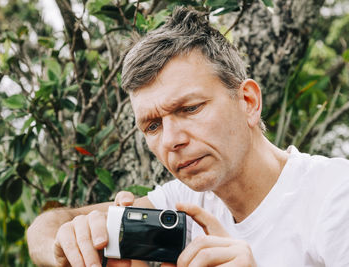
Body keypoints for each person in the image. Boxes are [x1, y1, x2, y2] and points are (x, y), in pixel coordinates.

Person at [27, 7, 349, 267]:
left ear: (248, 102)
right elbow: (46, 226)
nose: (170, 140)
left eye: (190, 108)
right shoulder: (183, 203)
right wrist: (67, 248)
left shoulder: (335, 196)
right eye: (152, 126)